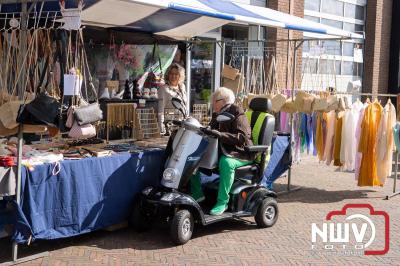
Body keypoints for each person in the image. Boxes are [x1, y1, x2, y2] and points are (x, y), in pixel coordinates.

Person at [191, 87, 256, 215]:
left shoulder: (237, 112)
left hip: (240, 153)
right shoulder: (217, 115)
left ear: (222, 101)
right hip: (222, 151)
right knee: (193, 158)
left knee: (226, 163)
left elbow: (241, 138)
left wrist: (220, 134)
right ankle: (197, 195)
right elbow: (212, 130)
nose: (212, 103)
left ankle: (222, 202)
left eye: (214, 100)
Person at [158, 63, 187, 134]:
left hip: (182, 125)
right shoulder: (164, 89)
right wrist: (162, 129)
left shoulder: (182, 87)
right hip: (171, 127)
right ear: (168, 75)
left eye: (176, 74)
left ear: (180, 76)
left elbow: (184, 105)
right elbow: (160, 110)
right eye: (171, 73)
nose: (173, 76)